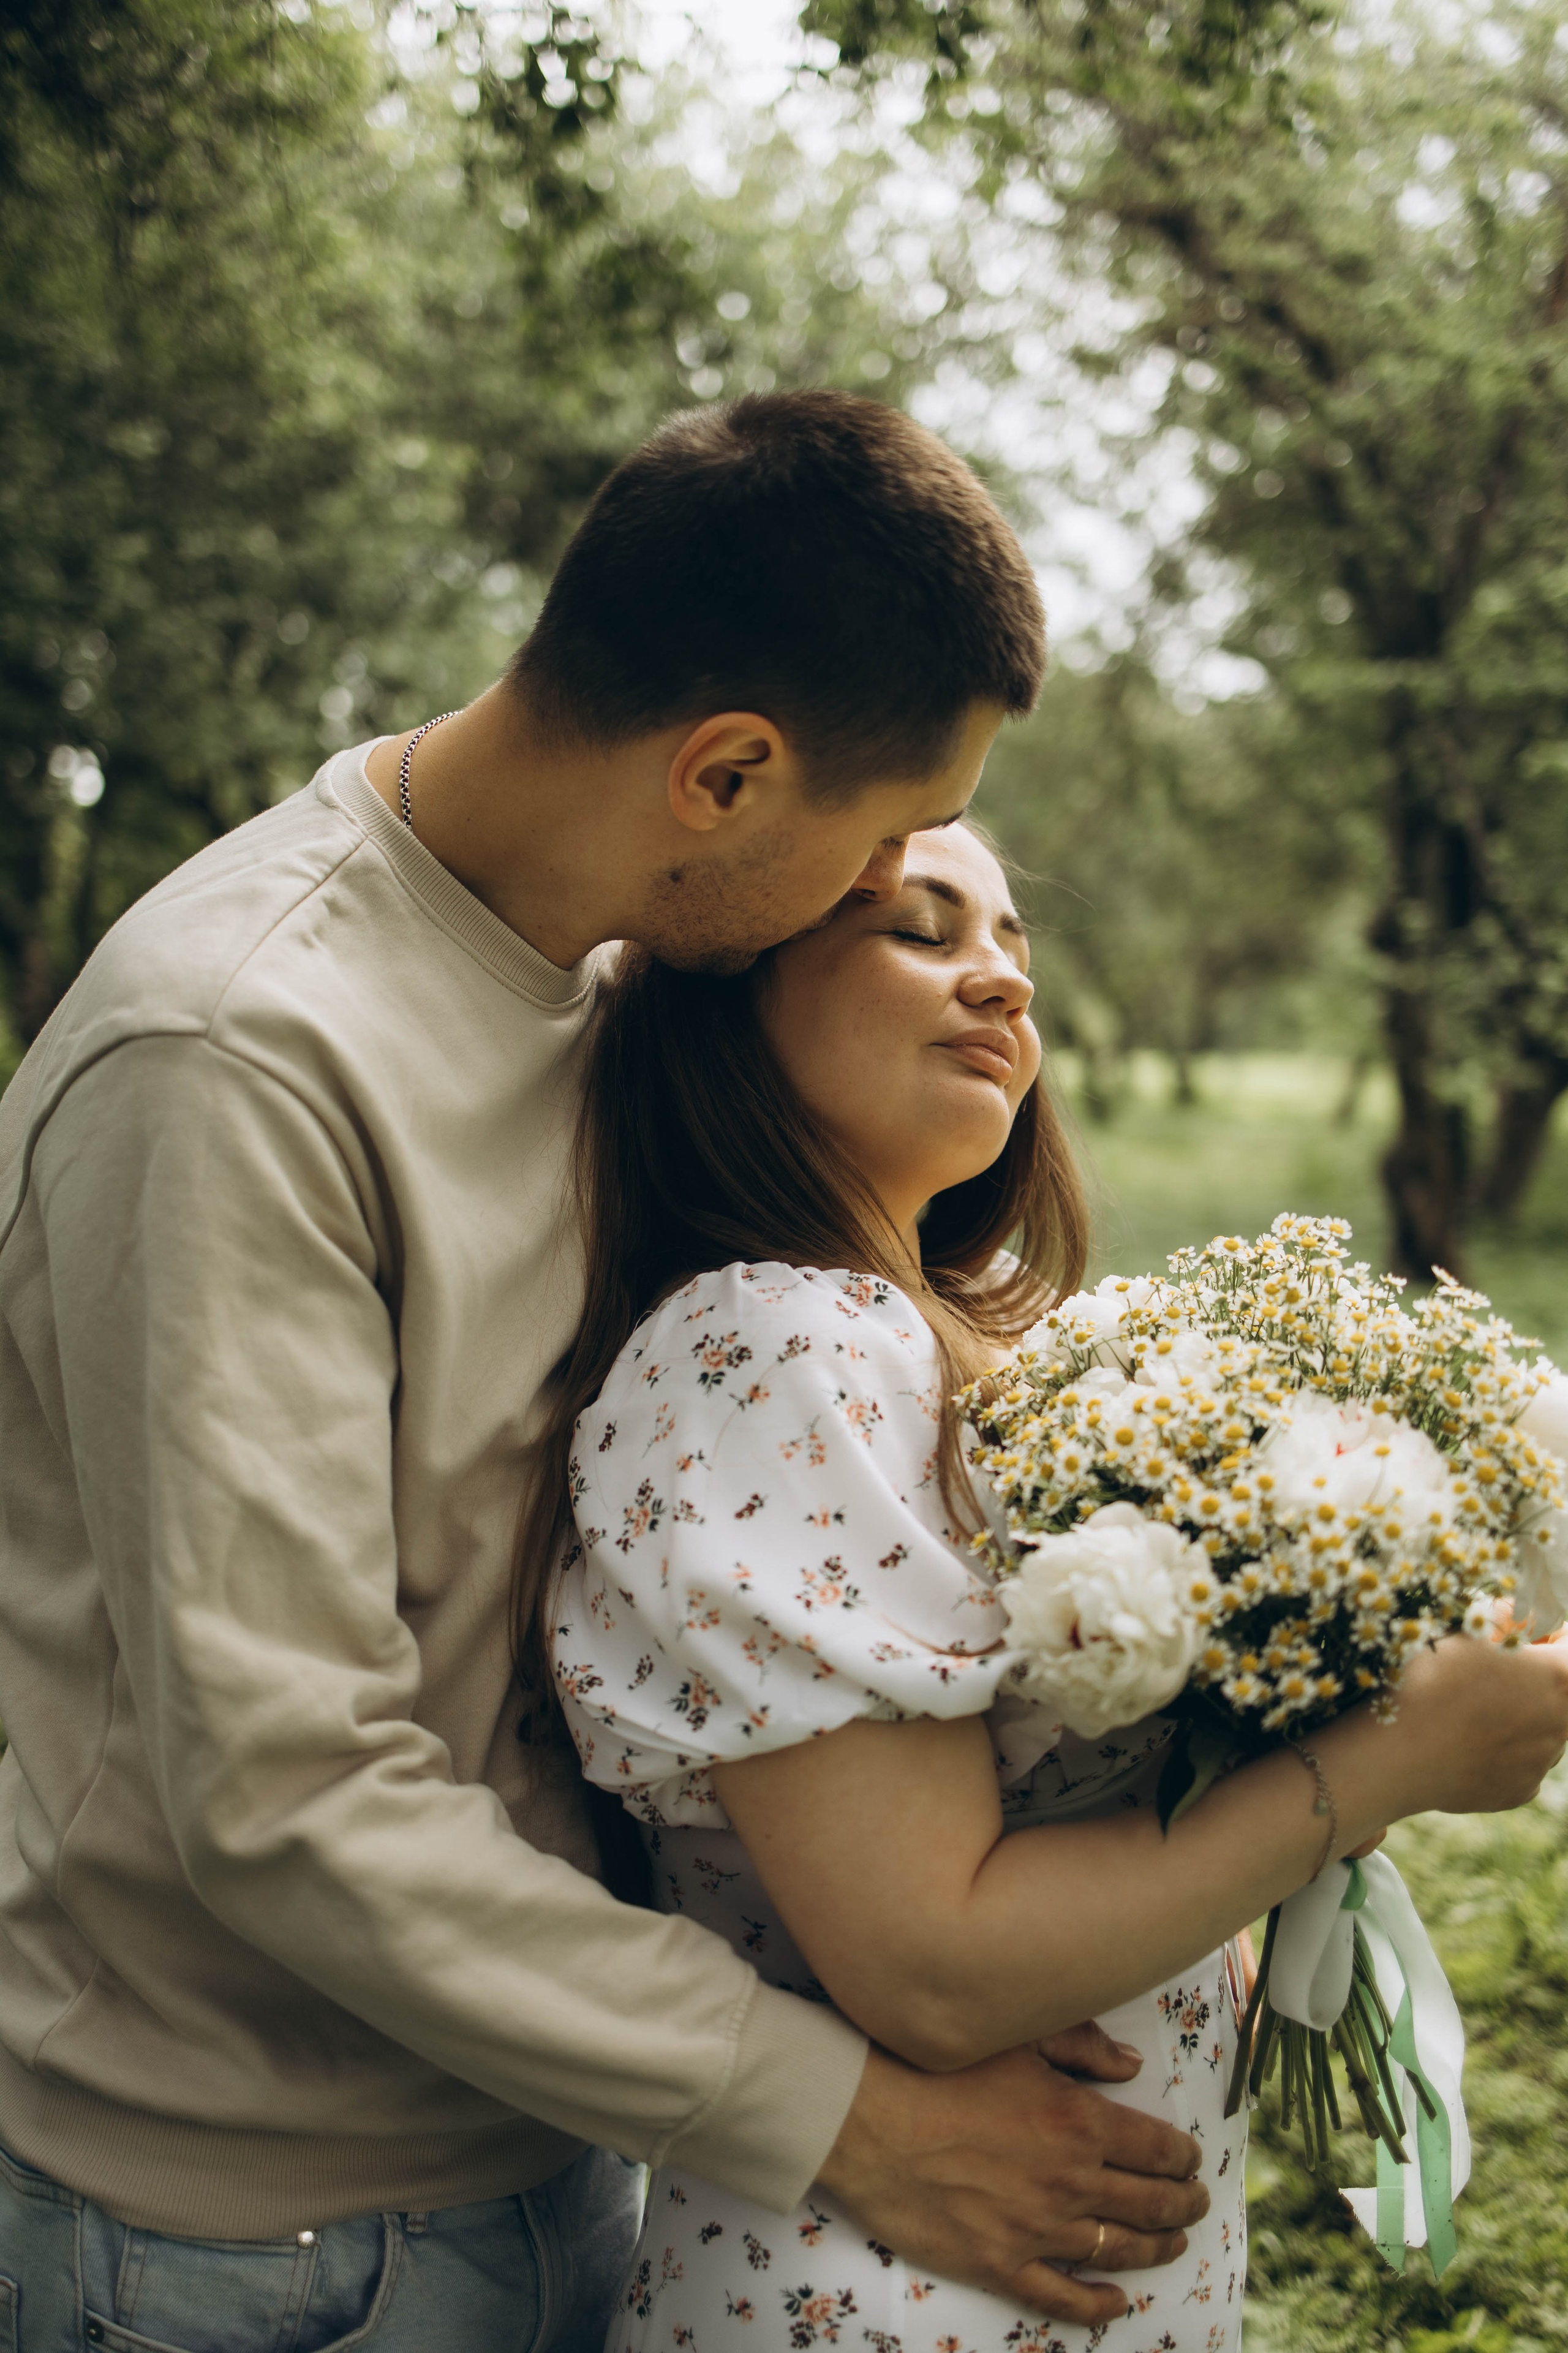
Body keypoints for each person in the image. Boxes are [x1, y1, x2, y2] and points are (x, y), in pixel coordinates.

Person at [0, 395, 1224, 2353]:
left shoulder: (600, 976)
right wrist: (843, 2115)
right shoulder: (232, 1063)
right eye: (875, 850)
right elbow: (287, 1786)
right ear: (725, 773)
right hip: (258, 2238)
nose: (893, 889)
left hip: (579, 2140)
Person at [544, 819, 1568, 2353]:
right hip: (887, 2294)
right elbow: (934, 1971)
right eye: (919, 927)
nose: (1001, 985)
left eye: (1013, 946)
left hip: (1066, 2273)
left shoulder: (954, 1345)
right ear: (726, 990)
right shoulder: (767, 1345)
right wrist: (1388, 1762)